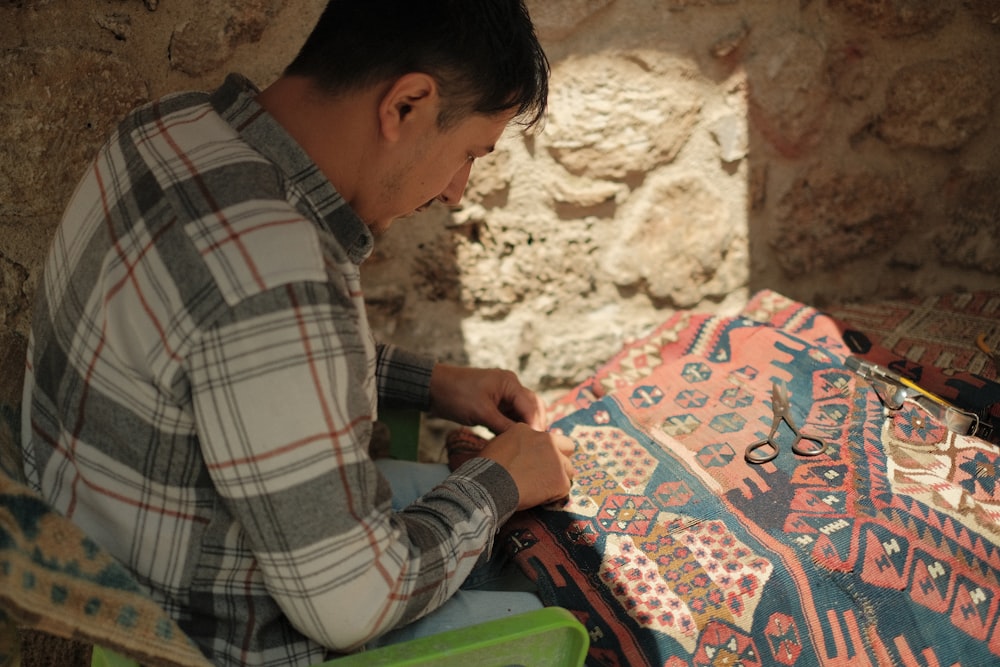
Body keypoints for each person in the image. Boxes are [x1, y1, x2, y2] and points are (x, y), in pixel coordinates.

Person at [18, 1, 576, 665]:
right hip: (204, 628)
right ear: (405, 105)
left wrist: (435, 383)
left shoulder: (169, 128)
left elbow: (240, 360)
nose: (457, 190)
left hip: (101, 549)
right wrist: (499, 480)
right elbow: (356, 603)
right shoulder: (276, 270)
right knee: (559, 615)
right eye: (468, 153)